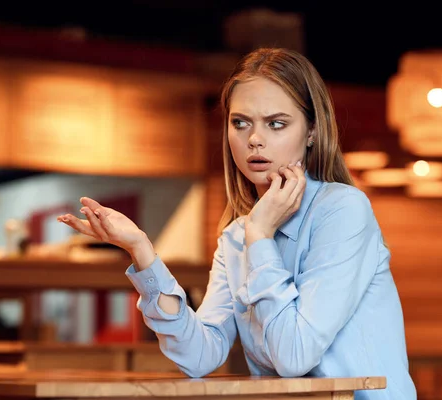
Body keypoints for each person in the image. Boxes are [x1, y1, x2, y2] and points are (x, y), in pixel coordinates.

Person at [57, 47, 417, 399]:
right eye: (240, 123)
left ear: (312, 132)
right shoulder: (236, 237)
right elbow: (199, 356)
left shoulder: (343, 210)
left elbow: (294, 355)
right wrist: (141, 251)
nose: (255, 139)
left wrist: (259, 237)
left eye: (276, 124)